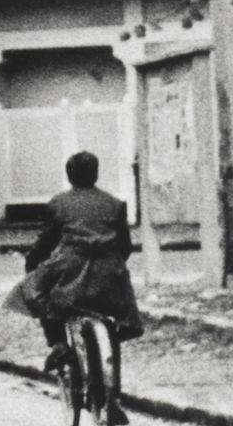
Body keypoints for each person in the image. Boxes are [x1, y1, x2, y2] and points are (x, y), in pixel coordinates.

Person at [9, 149, 145, 404]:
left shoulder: (58, 204)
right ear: (96, 174)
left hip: (69, 273)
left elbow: (45, 244)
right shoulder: (115, 204)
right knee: (112, 326)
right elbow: (125, 247)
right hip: (108, 277)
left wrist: (33, 265)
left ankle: (58, 345)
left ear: (69, 175)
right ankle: (112, 394)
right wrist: (110, 266)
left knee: (37, 292)